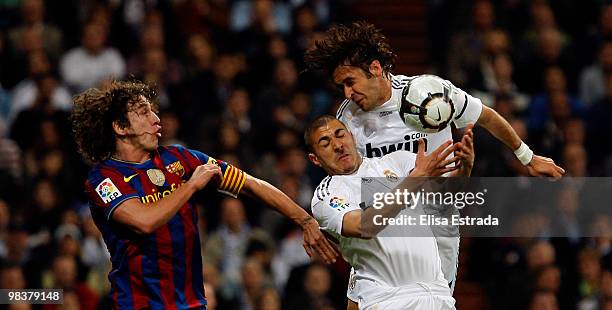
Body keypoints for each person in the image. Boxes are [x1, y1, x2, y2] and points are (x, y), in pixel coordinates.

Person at [304, 21, 565, 294]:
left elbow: (485, 116)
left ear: (375, 69)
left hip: (435, 218)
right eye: (341, 87)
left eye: (350, 82)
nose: (347, 93)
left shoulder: (429, 93)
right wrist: (310, 220)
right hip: (387, 226)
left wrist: (527, 156)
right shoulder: (346, 118)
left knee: (434, 298)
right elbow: (343, 178)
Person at [70, 80, 337, 309]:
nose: (156, 119)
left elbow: (250, 184)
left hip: (192, 303)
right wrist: (191, 186)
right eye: (143, 112)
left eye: (153, 111)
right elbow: (144, 221)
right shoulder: (104, 179)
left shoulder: (180, 158)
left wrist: (304, 220)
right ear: (120, 126)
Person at [305, 115, 474, 309]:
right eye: (325, 143)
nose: (337, 145)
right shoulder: (326, 195)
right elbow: (364, 226)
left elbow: (443, 197)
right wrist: (414, 180)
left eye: (340, 135)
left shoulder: (397, 161)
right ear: (315, 159)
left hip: (437, 295)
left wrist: (465, 168)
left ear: (351, 136)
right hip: (387, 300)